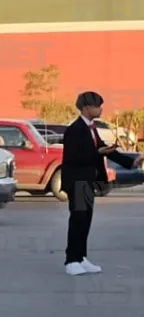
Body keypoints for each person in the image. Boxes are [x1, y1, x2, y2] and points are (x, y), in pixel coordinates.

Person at [61, 91, 142, 275]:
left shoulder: (92, 128)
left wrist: (130, 162)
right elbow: (75, 157)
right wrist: (98, 152)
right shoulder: (75, 129)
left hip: (88, 181)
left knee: (86, 219)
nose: (100, 109)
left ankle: (81, 257)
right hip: (77, 181)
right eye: (97, 105)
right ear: (86, 108)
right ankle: (71, 260)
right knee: (78, 220)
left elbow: (103, 148)